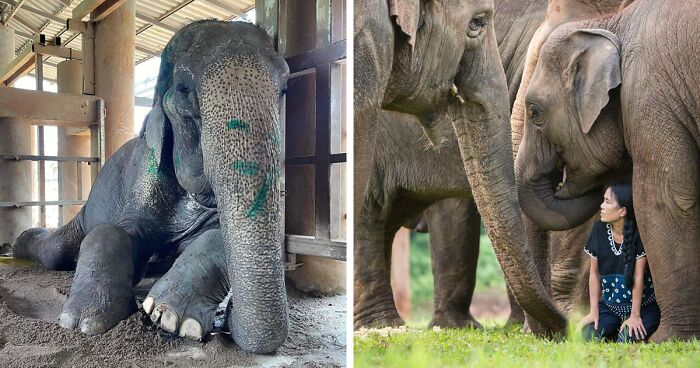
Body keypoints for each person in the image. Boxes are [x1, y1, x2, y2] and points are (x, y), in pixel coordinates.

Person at [578, 183, 659, 342]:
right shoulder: (598, 230)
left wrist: (635, 316)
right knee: (585, 337)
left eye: (607, 202)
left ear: (622, 211)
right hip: (610, 307)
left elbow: (638, 277)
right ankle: (612, 325)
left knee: (624, 341)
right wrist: (593, 311)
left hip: (643, 307)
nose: (601, 206)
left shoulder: (638, 233)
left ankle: (626, 327)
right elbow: (593, 274)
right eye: (603, 201)